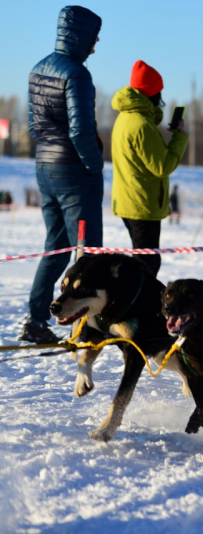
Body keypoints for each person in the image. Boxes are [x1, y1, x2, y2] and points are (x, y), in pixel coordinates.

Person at [20, 6, 104, 343]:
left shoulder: (37, 69)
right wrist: (95, 165)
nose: (96, 45)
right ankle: (87, 328)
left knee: (55, 249)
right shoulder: (77, 74)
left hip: (45, 167)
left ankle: (35, 320)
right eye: (94, 38)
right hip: (73, 172)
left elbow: (32, 125)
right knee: (89, 254)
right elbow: (81, 131)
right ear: (82, 36)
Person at [110, 60, 188, 276]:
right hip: (142, 203)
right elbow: (162, 166)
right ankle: (138, 307)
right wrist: (180, 137)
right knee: (147, 265)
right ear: (151, 93)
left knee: (143, 261)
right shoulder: (142, 125)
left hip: (130, 200)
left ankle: (137, 305)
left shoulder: (125, 118)